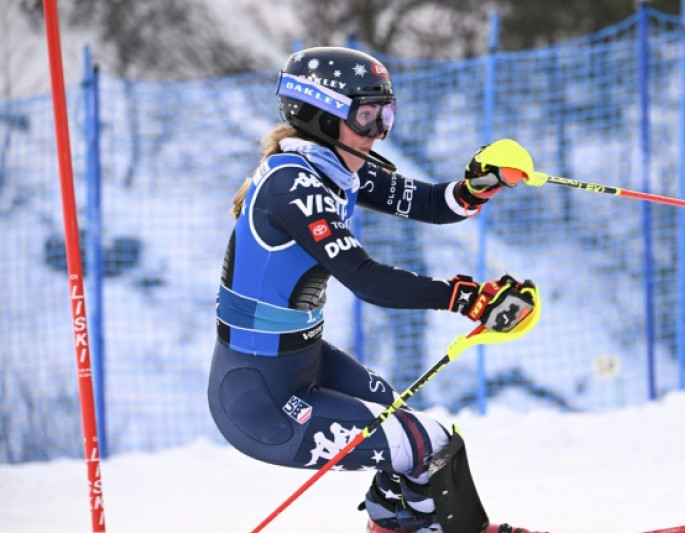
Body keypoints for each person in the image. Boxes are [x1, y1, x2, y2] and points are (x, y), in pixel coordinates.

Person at [207, 46, 545, 533]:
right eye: (367, 116)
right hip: (261, 398)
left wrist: (476, 186)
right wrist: (462, 298)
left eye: (386, 114)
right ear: (321, 116)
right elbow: (364, 278)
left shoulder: (334, 165)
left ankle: (391, 523)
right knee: (423, 442)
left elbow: (428, 202)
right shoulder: (293, 186)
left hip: (301, 362)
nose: (379, 130)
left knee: (408, 430)